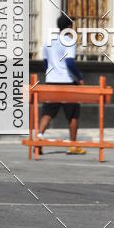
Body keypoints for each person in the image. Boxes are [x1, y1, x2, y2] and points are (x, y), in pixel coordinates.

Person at [39, 13, 87, 155]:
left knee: (48, 112)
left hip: (51, 81)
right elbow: (70, 62)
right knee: (73, 114)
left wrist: (51, 73)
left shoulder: (48, 40)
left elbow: (45, 62)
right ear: (68, 27)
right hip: (67, 82)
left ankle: (38, 141)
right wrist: (79, 78)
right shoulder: (69, 40)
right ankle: (72, 146)